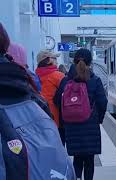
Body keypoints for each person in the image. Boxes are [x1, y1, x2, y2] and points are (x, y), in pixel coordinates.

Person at [0, 22, 75, 180]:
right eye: (53, 59)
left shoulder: (35, 76)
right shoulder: (29, 83)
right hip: (50, 127)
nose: (55, 62)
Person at [54, 48, 107, 180]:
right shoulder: (95, 80)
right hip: (91, 127)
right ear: (90, 62)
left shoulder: (66, 81)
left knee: (77, 159)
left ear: (74, 61)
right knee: (89, 161)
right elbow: (102, 102)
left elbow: (57, 101)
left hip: (72, 128)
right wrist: (98, 119)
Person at [35, 50, 66, 144]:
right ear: (49, 61)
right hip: (57, 122)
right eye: (55, 58)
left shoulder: (33, 77)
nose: (57, 61)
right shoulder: (59, 76)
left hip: (39, 121)